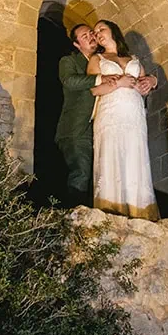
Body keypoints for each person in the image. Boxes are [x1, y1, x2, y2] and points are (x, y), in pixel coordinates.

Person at [87, 19, 159, 219]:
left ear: (113, 30)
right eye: (95, 31)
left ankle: (141, 212)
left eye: (101, 29)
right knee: (111, 154)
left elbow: (145, 83)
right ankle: (111, 210)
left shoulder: (133, 59)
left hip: (134, 114)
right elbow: (92, 89)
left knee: (135, 155)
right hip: (110, 113)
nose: (98, 33)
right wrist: (118, 83)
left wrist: (151, 81)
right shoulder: (98, 59)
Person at [55, 22, 105, 206]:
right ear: (77, 44)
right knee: (81, 173)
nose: (91, 37)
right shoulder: (69, 61)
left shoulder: (104, 61)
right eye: (85, 36)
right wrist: (100, 79)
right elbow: (70, 81)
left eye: (91, 33)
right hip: (76, 128)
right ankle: (75, 221)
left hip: (102, 126)